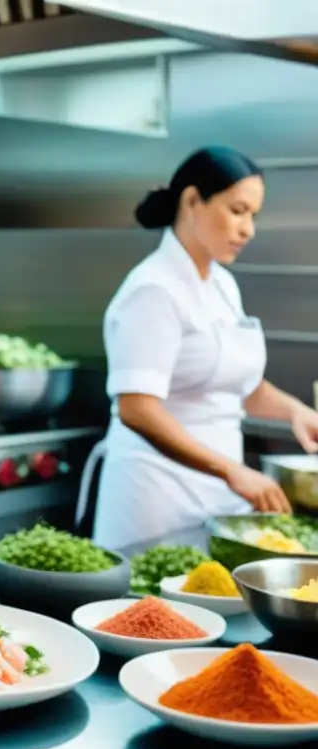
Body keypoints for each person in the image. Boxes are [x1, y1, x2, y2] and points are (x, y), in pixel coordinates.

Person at [76, 146, 318, 550]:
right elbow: (137, 408)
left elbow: (237, 383)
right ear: (192, 201)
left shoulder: (221, 284)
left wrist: (295, 412)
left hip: (220, 498)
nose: (248, 230)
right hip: (156, 501)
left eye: (253, 216)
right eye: (237, 210)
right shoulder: (153, 289)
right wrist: (230, 470)